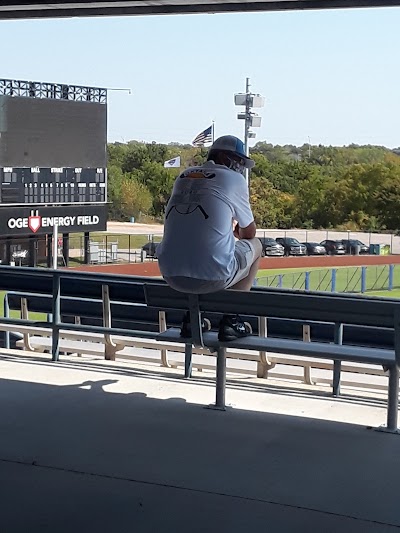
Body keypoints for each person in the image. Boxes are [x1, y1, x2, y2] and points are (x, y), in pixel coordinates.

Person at [156, 135, 262, 341]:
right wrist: (234, 230)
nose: (240, 168)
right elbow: (249, 234)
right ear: (223, 156)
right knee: (255, 247)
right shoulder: (234, 179)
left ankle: (192, 318)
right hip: (212, 276)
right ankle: (232, 319)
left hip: (170, 274)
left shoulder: (184, 175)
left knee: (202, 248)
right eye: (239, 161)